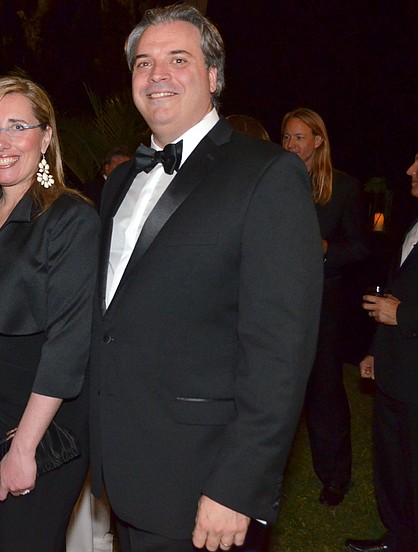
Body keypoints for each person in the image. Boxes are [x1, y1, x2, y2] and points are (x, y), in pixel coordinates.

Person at [90, 5, 322, 552]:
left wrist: (238, 487)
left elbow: (280, 355)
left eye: (178, 59)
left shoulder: (267, 174)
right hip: (125, 473)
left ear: (214, 77)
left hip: (204, 484)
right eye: (143, 63)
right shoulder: (120, 181)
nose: (157, 74)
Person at [0, 75, 100, 551]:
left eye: (17, 126)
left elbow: (70, 341)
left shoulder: (71, 219)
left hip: (41, 424)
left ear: (46, 137)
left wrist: (24, 447)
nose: (0, 142)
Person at [282, 107, 369, 507]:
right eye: (286, 137)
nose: (291, 144)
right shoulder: (276, 182)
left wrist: (325, 250)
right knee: (277, 393)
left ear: (318, 141)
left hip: (323, 310)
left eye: (300, 137)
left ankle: (335, 477)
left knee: (325, 393)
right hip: (279, 306)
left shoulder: (345, 188)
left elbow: (361, 248)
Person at [347, 152, 418, 552]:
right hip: (395, 370)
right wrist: (376, 350)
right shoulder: (413, 224)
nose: (409, 170)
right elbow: (397, 292)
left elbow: (400, 307)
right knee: (393, 464)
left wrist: (403, 314)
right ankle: (399, 539)